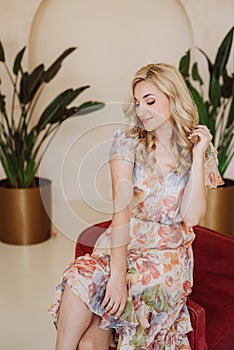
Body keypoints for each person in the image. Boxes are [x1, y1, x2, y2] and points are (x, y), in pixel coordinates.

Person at [48, 63, 224, 350]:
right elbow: (121, 210)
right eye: (137, 102)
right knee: (78, 278)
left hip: (166, 259)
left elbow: (191, 217)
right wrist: (117, 275)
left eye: (150, 101)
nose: (141, 110)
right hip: (125, 244)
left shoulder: (197, 150)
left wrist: (197, 155)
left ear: (173, 98)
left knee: (94, 336)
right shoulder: (127, 142)